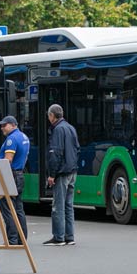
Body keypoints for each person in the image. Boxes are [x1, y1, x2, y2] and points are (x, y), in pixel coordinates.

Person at [44, 104, 79, 246]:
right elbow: (77, 149)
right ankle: (69, 236)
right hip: (72, 171)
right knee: (69, 205)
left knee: (58, 205)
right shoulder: (71, 127)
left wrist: (52, 174)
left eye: (48, 116)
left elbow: (55, 153)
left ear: (52, 116)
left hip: (62, 172)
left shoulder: (57, 130)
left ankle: (58, 237)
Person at [0, 115, 29, 246]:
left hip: (11, 175)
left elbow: (7, 160)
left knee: (7, 208)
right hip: (19, 174)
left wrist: (0, 174)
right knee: (18, 208)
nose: (2, 128)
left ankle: (12, 240)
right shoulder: (23, 137)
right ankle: (22, 239)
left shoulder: (11, 139)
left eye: (5, 125)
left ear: (13, 125)